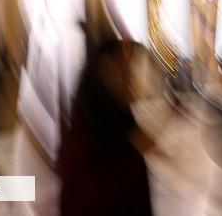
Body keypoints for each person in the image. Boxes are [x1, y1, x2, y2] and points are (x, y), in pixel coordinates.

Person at [58, 39, 153, 215]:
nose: (132, 79)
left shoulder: (111, 112)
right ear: (108, 71)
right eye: (126, 71)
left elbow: (146, 142)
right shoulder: (89, 136)